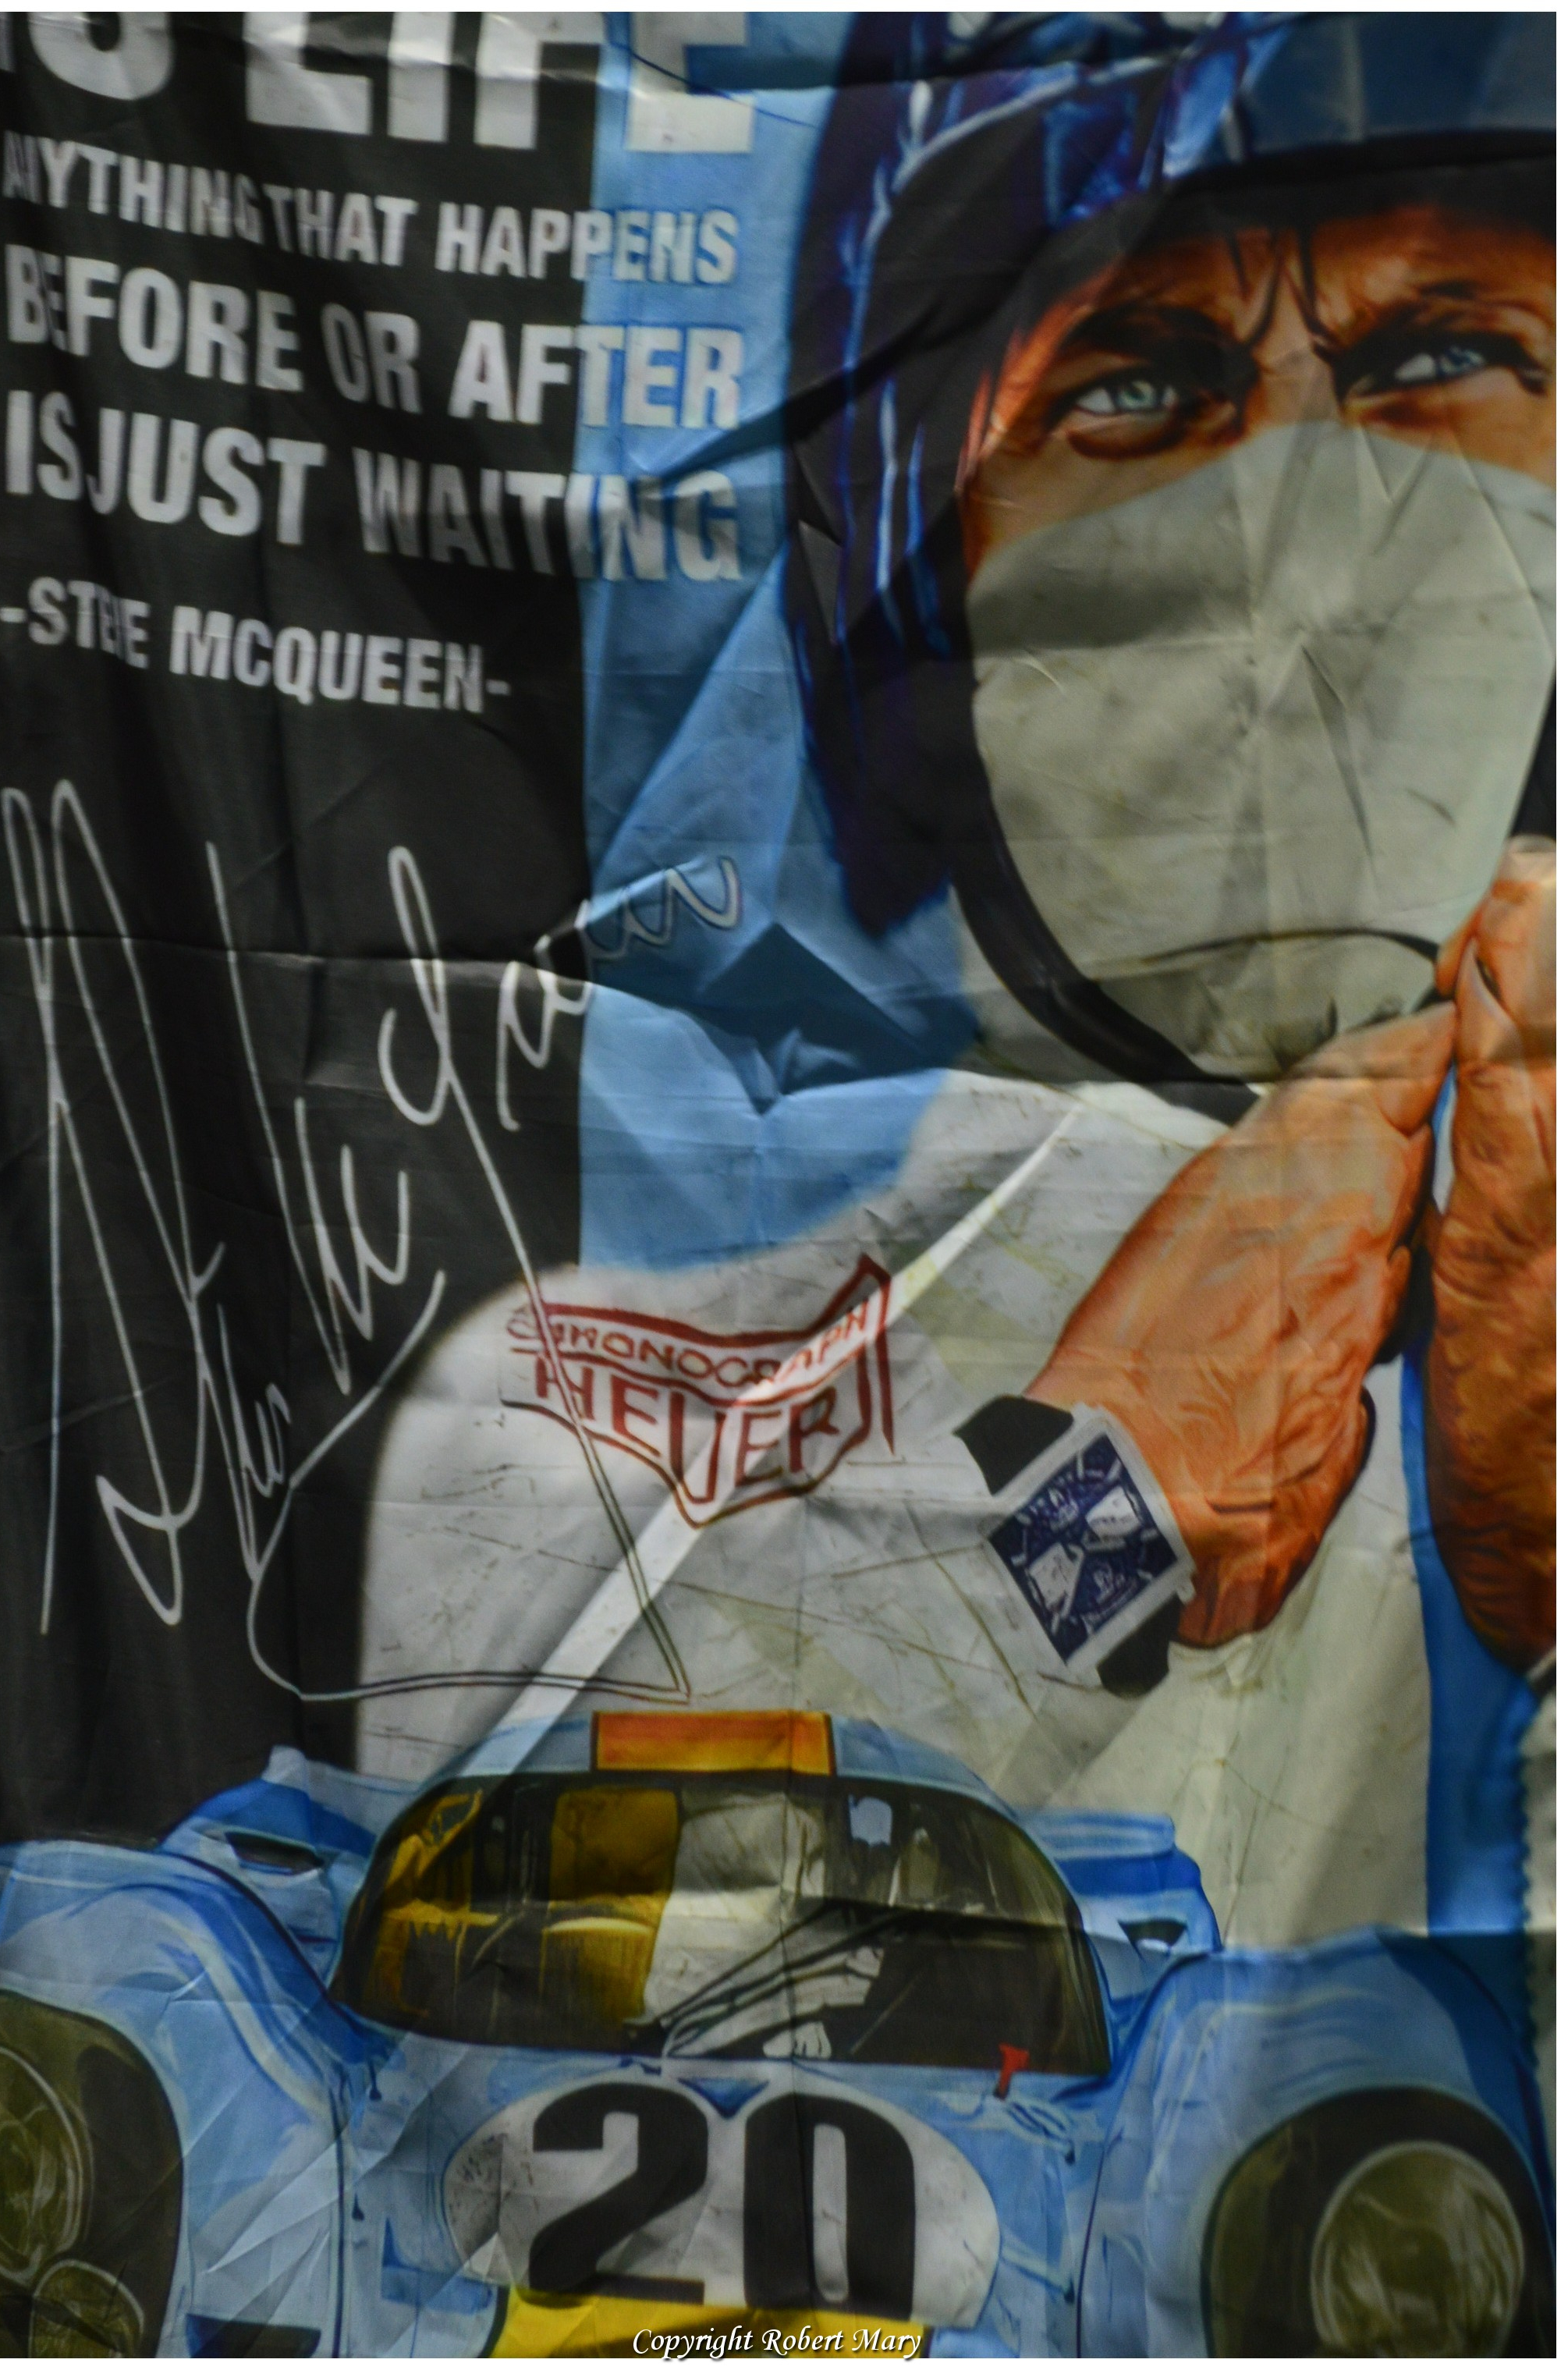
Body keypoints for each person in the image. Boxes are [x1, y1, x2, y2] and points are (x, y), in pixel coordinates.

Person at [356, 25, 1553, 2005]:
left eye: (1442, 351)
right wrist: (1099, 1509)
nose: (1302, 543)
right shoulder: (571, 1392)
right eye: (1137, 382)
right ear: (925, 564)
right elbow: (534, 2010)